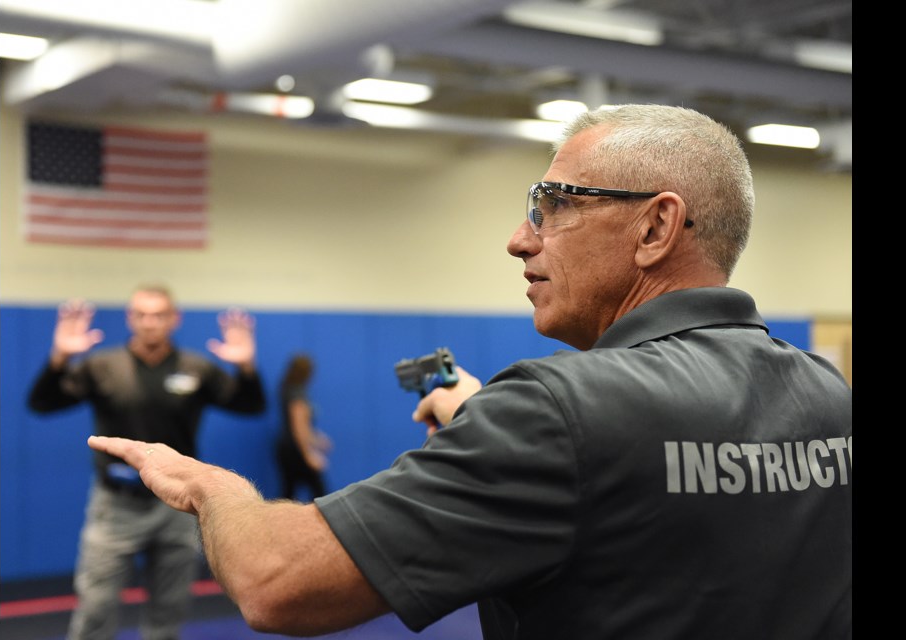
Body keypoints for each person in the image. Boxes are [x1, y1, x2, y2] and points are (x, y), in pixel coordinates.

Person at [87, 106, 852, 639]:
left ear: (655, 226)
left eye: (552, 205)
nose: (521, 240)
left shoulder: (558, 411)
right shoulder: (830, 397)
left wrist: (209, 487)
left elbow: (273, 579)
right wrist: (500, 426)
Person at [27, 284, 268, 640]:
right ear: (130, 318)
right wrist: (59, 358)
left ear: (174, 319)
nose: (150, 323)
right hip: (116, 505)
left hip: (177, 506)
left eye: (158, 315)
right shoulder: (101, 366)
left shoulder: (196, 368)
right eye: (141, 314)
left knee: (168, 613)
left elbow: (250, 405)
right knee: (96, 608)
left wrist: (246, 367)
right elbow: (42, 403)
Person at [274, 354, 333, 500]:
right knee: (321, 494)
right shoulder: (297, 392)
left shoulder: (287, 388)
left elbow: (301, 426)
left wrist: (316, 439)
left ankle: (281, 522)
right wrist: (308, 455)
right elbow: (298, 425)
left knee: (288, 494)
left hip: (287, 448)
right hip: (295, 450)